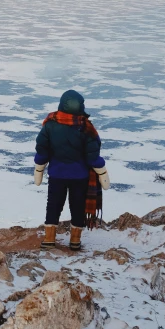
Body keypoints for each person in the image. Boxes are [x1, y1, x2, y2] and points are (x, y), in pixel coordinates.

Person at [33, 90, 110, 250]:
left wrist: (39, 168)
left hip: (57, 174)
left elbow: (42, 149)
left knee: (53, 205)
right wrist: (102, 172)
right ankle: (75, 241)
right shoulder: (86, 128)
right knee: (78, 206)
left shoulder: (50, 124)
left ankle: (49, 239)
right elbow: (92, 156)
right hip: (80, 176)